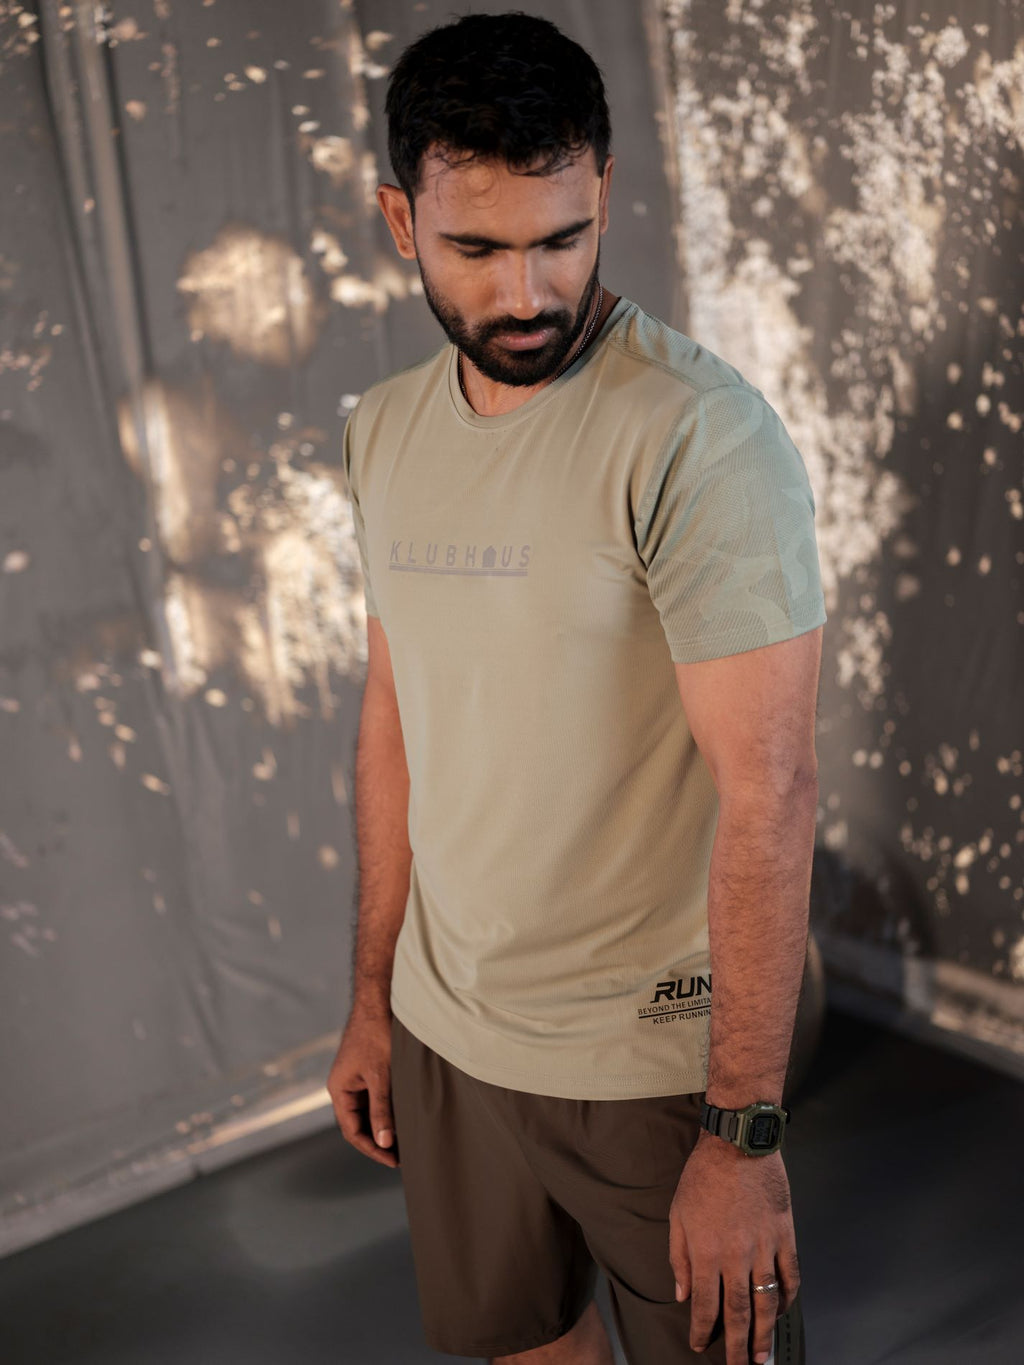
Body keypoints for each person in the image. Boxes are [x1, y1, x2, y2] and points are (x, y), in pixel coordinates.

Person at [327, 13, 825, 1365]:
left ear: (605, 189)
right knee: (529, 1350)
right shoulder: (385, 432)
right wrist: (375, 999)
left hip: (651, 1065)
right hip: (449, 1033)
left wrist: (744, 1133)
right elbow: (397, 719)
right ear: (400, 220)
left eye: (562, 238)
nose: (526, 295)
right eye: (476, 250)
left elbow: (770, 792)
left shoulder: (699, 438)